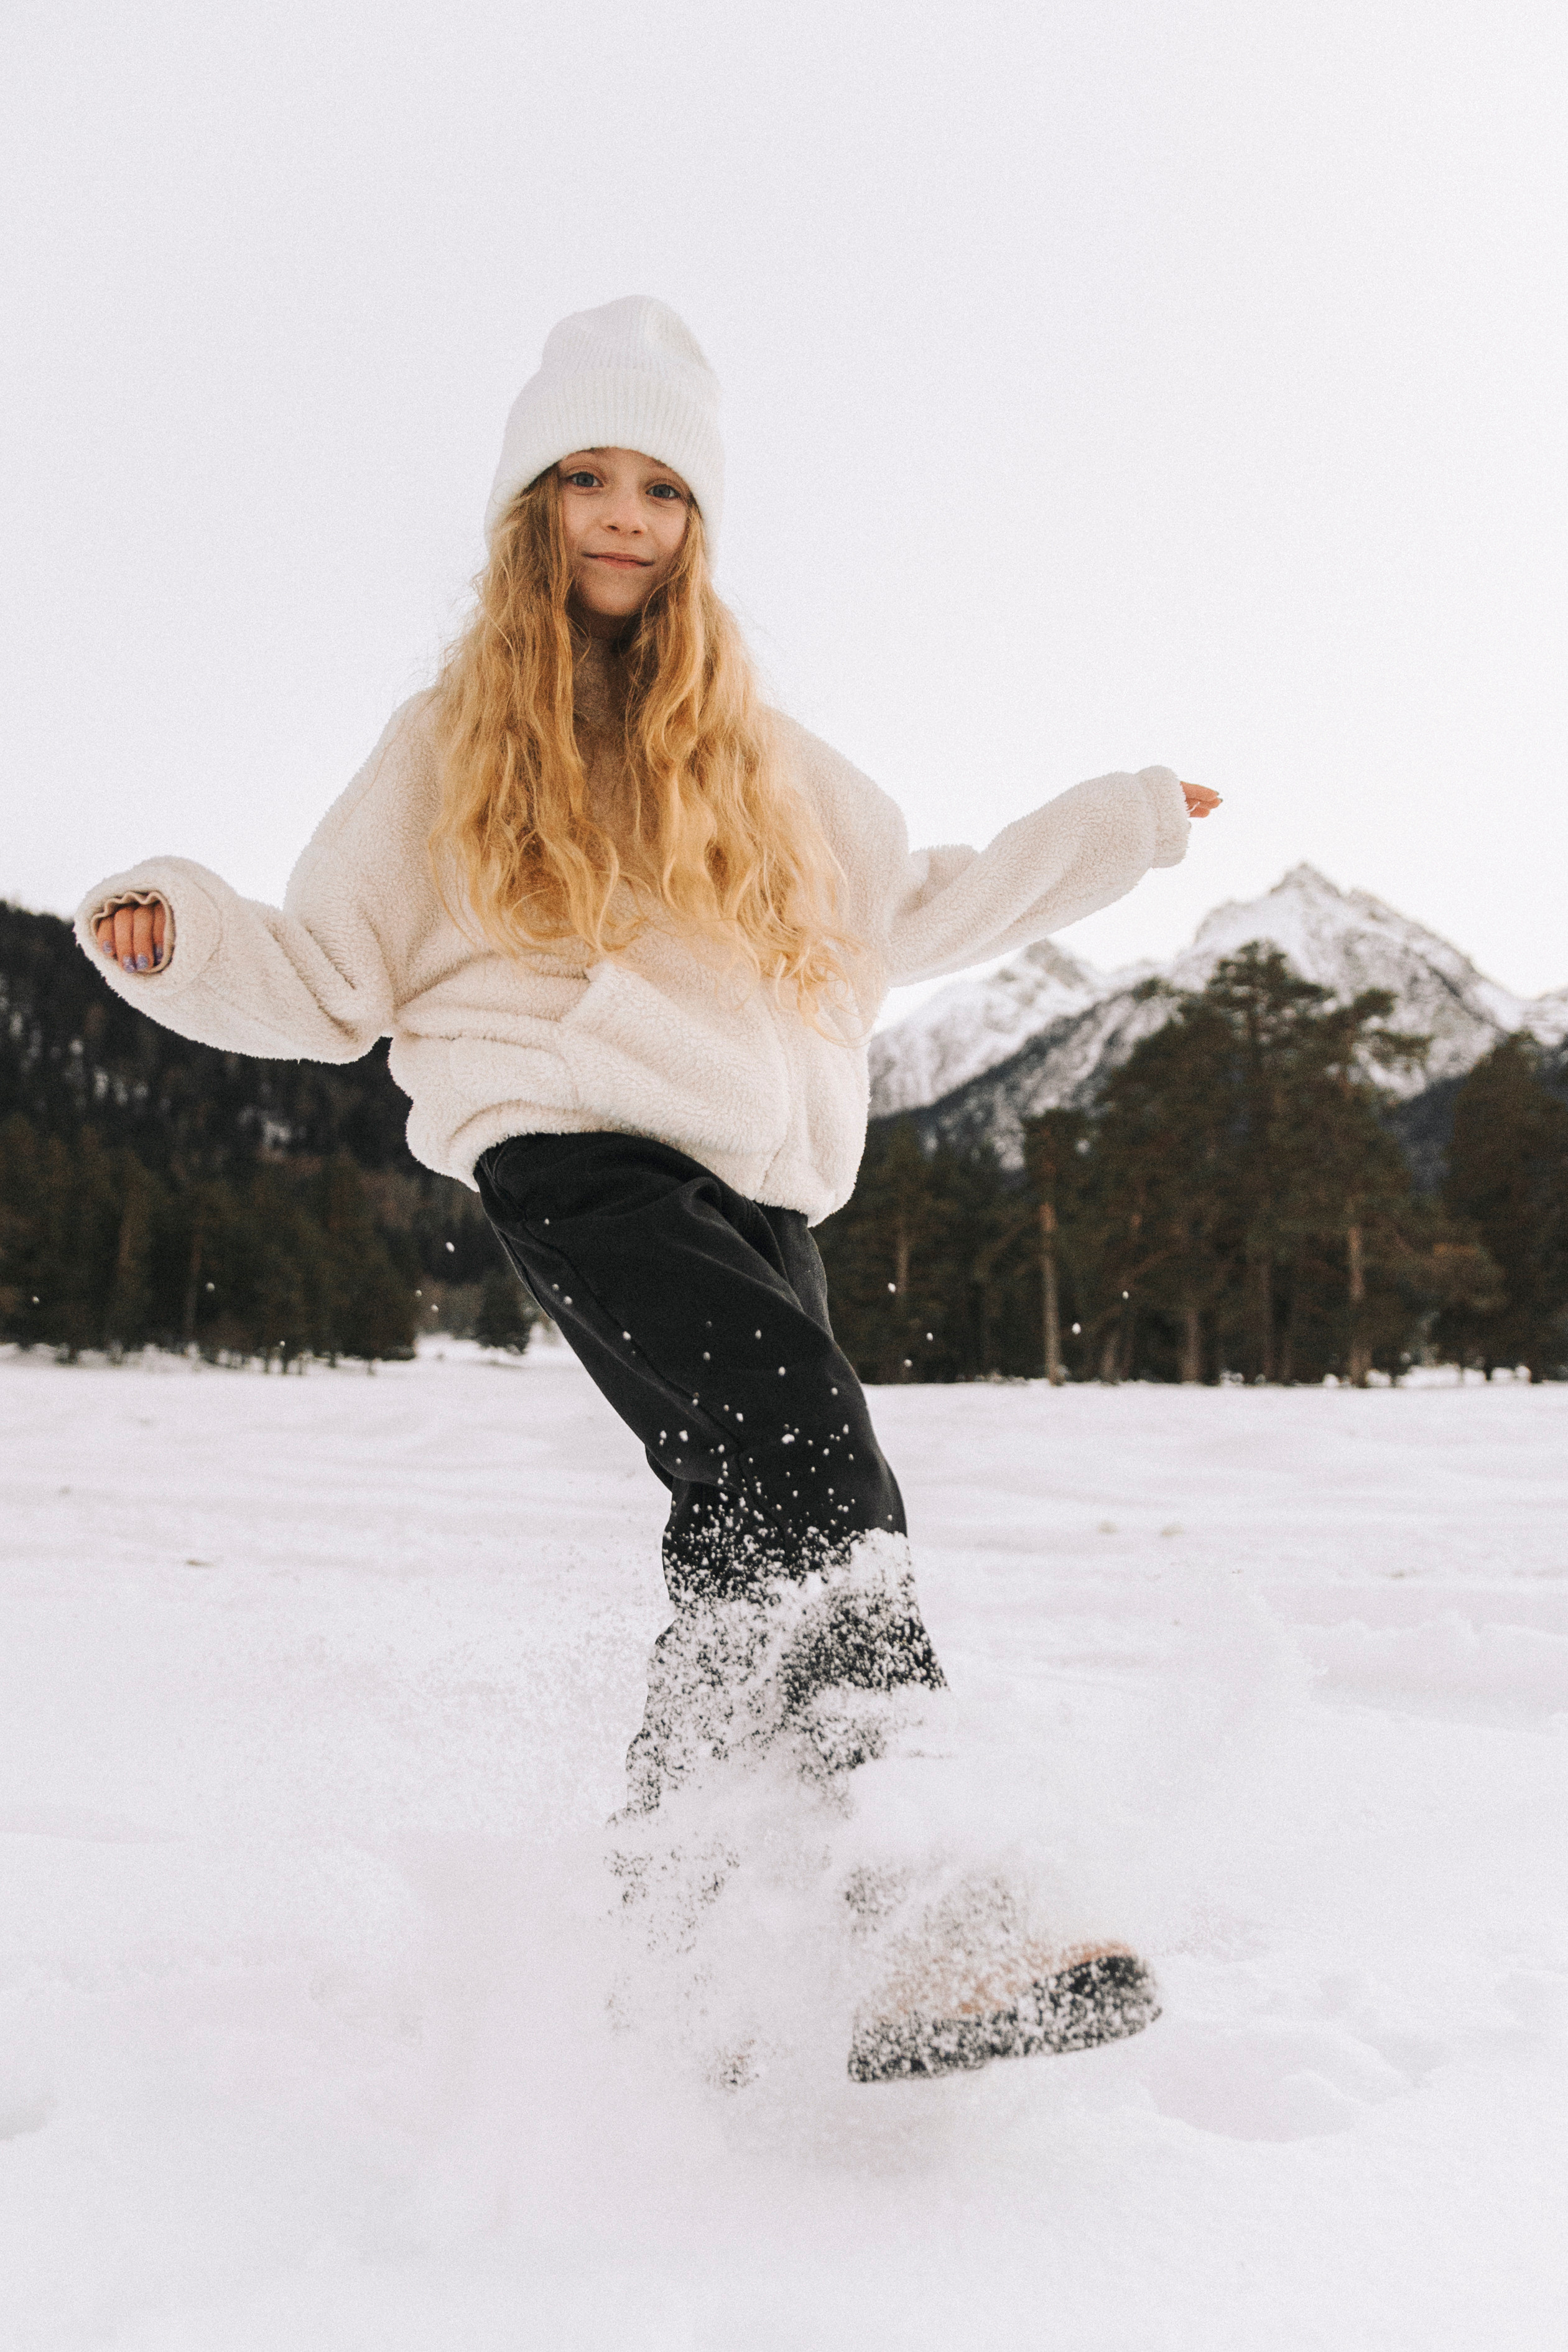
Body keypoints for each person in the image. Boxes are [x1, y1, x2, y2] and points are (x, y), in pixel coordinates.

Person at [81, 297, 1221, 2081]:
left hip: (759, 1187)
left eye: (660, 488)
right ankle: (920, 1912)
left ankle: (661, 1952)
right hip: (568, 1143)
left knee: (738, 1565)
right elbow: (328, 978)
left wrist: (1115, 825)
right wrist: (179, 929)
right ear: (530, 508)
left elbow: (904, 910)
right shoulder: (449, 737)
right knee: (809, 1455)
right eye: (584, 477)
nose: (621, 514)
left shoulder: (765, 754)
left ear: (698, 525)